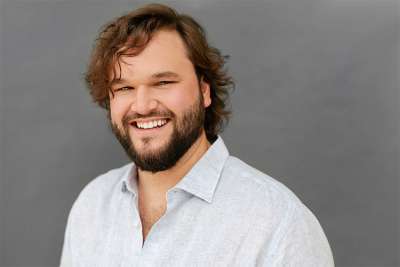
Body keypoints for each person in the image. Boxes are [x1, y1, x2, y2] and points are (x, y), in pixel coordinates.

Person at [60, 3, 334, 266]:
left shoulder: (278, 224)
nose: (142, 105)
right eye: (123, 88)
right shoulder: (92, 206)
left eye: (163, 82)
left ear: (205, 91)